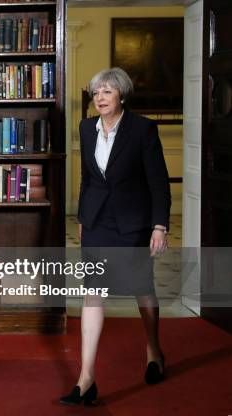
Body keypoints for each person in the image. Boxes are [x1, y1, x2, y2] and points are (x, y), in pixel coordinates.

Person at [59, 67, 171, 406]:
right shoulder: (85, 128)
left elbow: (157, 182)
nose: (100, 98)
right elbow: (88, 178)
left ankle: (153, 350)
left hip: (133, 223)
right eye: (96, 93)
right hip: (96, 223)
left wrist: (159, 226)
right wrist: (82, 216)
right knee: (93, 293)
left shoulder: (142, 129)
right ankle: (86, 378)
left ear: (121, 95)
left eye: (107, 91)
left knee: (142, 288)